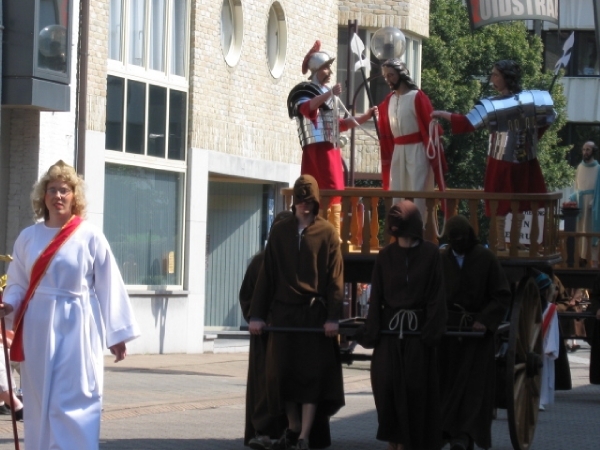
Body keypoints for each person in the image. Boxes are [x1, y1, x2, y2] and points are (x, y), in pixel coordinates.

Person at [0, 160, 140, 449]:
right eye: (52, 190)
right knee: (39, 397)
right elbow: (17, 282)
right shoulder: (29, 237)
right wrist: (9, 305)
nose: (58, 196)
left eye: (64, 190)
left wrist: (118, 334)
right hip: (38, 325)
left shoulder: (89, 235)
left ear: (74, 196)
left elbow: (108, 284)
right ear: (43, 196)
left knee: (75, 395)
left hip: (78, 325)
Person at [248, 174, 345, 450]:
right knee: (283, 375)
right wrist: (257, 314)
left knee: (311, 378)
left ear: (316, 202)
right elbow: (268, 275)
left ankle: (304, 436)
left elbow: (335, 278)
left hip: (313, 316)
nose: (305, 206)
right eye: (300, 201)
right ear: (294, 202)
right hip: (284, 314)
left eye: (309, 201)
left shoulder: (327, 233)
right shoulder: (279, 232)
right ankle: (293, 426)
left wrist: (332, 317)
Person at [432, 60, 556, 250]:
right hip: (520, 160)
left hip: (509, 162)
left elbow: (467, 123)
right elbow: (546, 120)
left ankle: (509, 243)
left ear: (507, 77)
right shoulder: (531, 100)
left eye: (496, 75)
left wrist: (442, 113)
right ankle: (502, 242)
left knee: (517, 203)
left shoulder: (493, 105)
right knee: (506, 203)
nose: (492, 79)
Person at [356, 200, 447, 450]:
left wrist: (430, 332)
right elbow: (377, 299)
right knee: (387, 391)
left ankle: (409, 444)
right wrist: (370, 333)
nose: (402, 239)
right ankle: (393, 443)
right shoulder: (386, 256)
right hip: (389, 335)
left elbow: (436, 296)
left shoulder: (430, 254)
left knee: (415, 392)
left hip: (418, 336)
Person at [287, 40, 377, 237]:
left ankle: (334, 233)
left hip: (331, 149)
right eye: (326, 67)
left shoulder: (326, 95)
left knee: (336, 188)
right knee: (320, 188)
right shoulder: (305, 90)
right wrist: (329, 93)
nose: (329, 71)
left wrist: (365, 117)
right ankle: (319, 231)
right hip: (316, 151)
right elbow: (307, 108)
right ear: (317, 69)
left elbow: (340, 124)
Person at [438, 215, 510, 450]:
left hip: (475, 333)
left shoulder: (485, 258)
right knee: (445, 381)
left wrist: (484, 320)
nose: (456, 243)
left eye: (460, 238)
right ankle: (445, 429)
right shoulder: (441, 258)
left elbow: (501, 295)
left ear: (469, 236)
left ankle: (466, 434)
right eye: (452, 239)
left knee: (473, 387)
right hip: (447, 331)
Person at [240, 210, 291, 449]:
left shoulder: (293, 262)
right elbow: (247, 297)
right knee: (264, 383)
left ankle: (285, 430)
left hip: (284, 333)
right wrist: (259, 318)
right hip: (265, 336)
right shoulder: (260, 263)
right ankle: (264, 430)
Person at [377, 59, 447, 221]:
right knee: (398, 192)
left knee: (418, 192)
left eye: (391, 75)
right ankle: (400, 228)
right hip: (398, 151)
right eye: (385, 76)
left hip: (418, 151)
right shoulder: (389, 100)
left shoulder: (417, 96)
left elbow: (430, 126)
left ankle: (419, 228)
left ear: (401, 74)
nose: (387, 79)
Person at [564, 141, 600, 267]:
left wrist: (594, 201)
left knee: (591, 230)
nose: (585, 152)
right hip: (580, 204)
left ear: (593, 151)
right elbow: (576, 187)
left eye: (588, 149)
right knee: (580, 230)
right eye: (584, 149)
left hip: (592, 205)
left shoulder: (598, 168)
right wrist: (573, 198)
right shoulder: (580, 167)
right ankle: (581, 259)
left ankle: (594, 261)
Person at [534, 271, 560, 411]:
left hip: (542, 344)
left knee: (543, 373)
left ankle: (541, 398)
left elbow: (553, 329)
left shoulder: (551, 308)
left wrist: (550, 348)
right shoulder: (549, 308)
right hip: (537, 343)